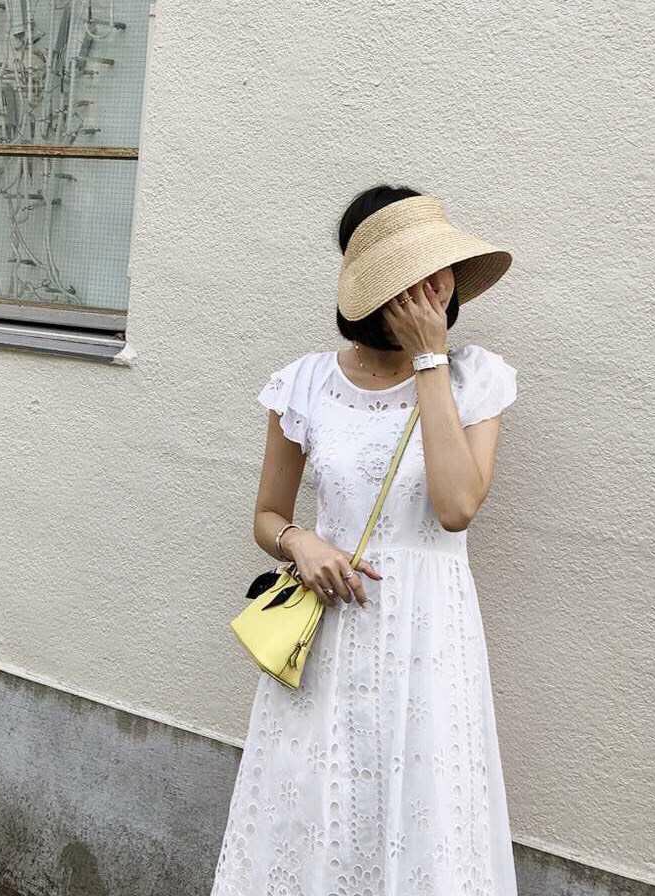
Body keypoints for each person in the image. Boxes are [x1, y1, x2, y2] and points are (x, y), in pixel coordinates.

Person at [210, 185, 520, 896]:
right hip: (327, 631)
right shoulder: (307, 383)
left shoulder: (476, 378)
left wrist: (430, 361)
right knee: (317, 805)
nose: (436, 289)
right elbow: (266, 515)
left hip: (428, 633)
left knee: (424, 806)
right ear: (378, 289)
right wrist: (301, 543)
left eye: (442, 272)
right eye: (419, 275)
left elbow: (456, 508)